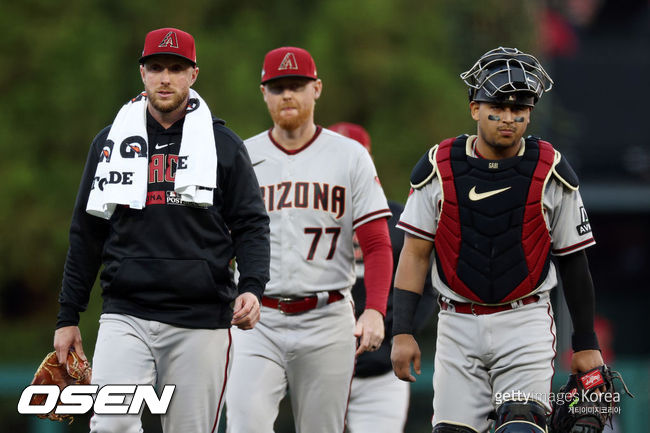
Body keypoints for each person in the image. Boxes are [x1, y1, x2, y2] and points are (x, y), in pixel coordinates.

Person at [53, 27, 270, 433]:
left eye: (175, 68)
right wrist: (68, 315)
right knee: (111, 424)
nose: (165, 77)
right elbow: (86, 232)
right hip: (126, 313)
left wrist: (252, 287)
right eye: (156, 67)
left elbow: (251, 224)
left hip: (201, 318)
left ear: (193, 75)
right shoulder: (109, 143)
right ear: (142, 74)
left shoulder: (222, 144)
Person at [390, 47, 604, 433]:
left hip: (523, 323)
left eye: (519, 108)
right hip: (457, 324)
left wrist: (586, 343)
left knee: (521, 427)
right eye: (498, 107)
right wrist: (402, 331)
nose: (509, 118)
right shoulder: (439, 166)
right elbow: (415, 253)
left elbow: (574, 261)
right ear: (474, 108)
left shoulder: (550, 168)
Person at [225, 47, 393, 433]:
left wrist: (375, 310)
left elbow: (378, 243)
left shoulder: (350, 156)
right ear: (263, 93)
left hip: (327, 315)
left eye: (297, 86)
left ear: (316, 88)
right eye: (278, 86)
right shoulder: (241, 156)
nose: (288, 95)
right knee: (244, 426)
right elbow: (216, 240)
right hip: (256, 320)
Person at [328, 122, 436, 433]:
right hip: (321, 367)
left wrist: (397, 332)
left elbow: (425, 289)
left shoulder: (397, 222)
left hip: (381, 373)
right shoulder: (308, 218)